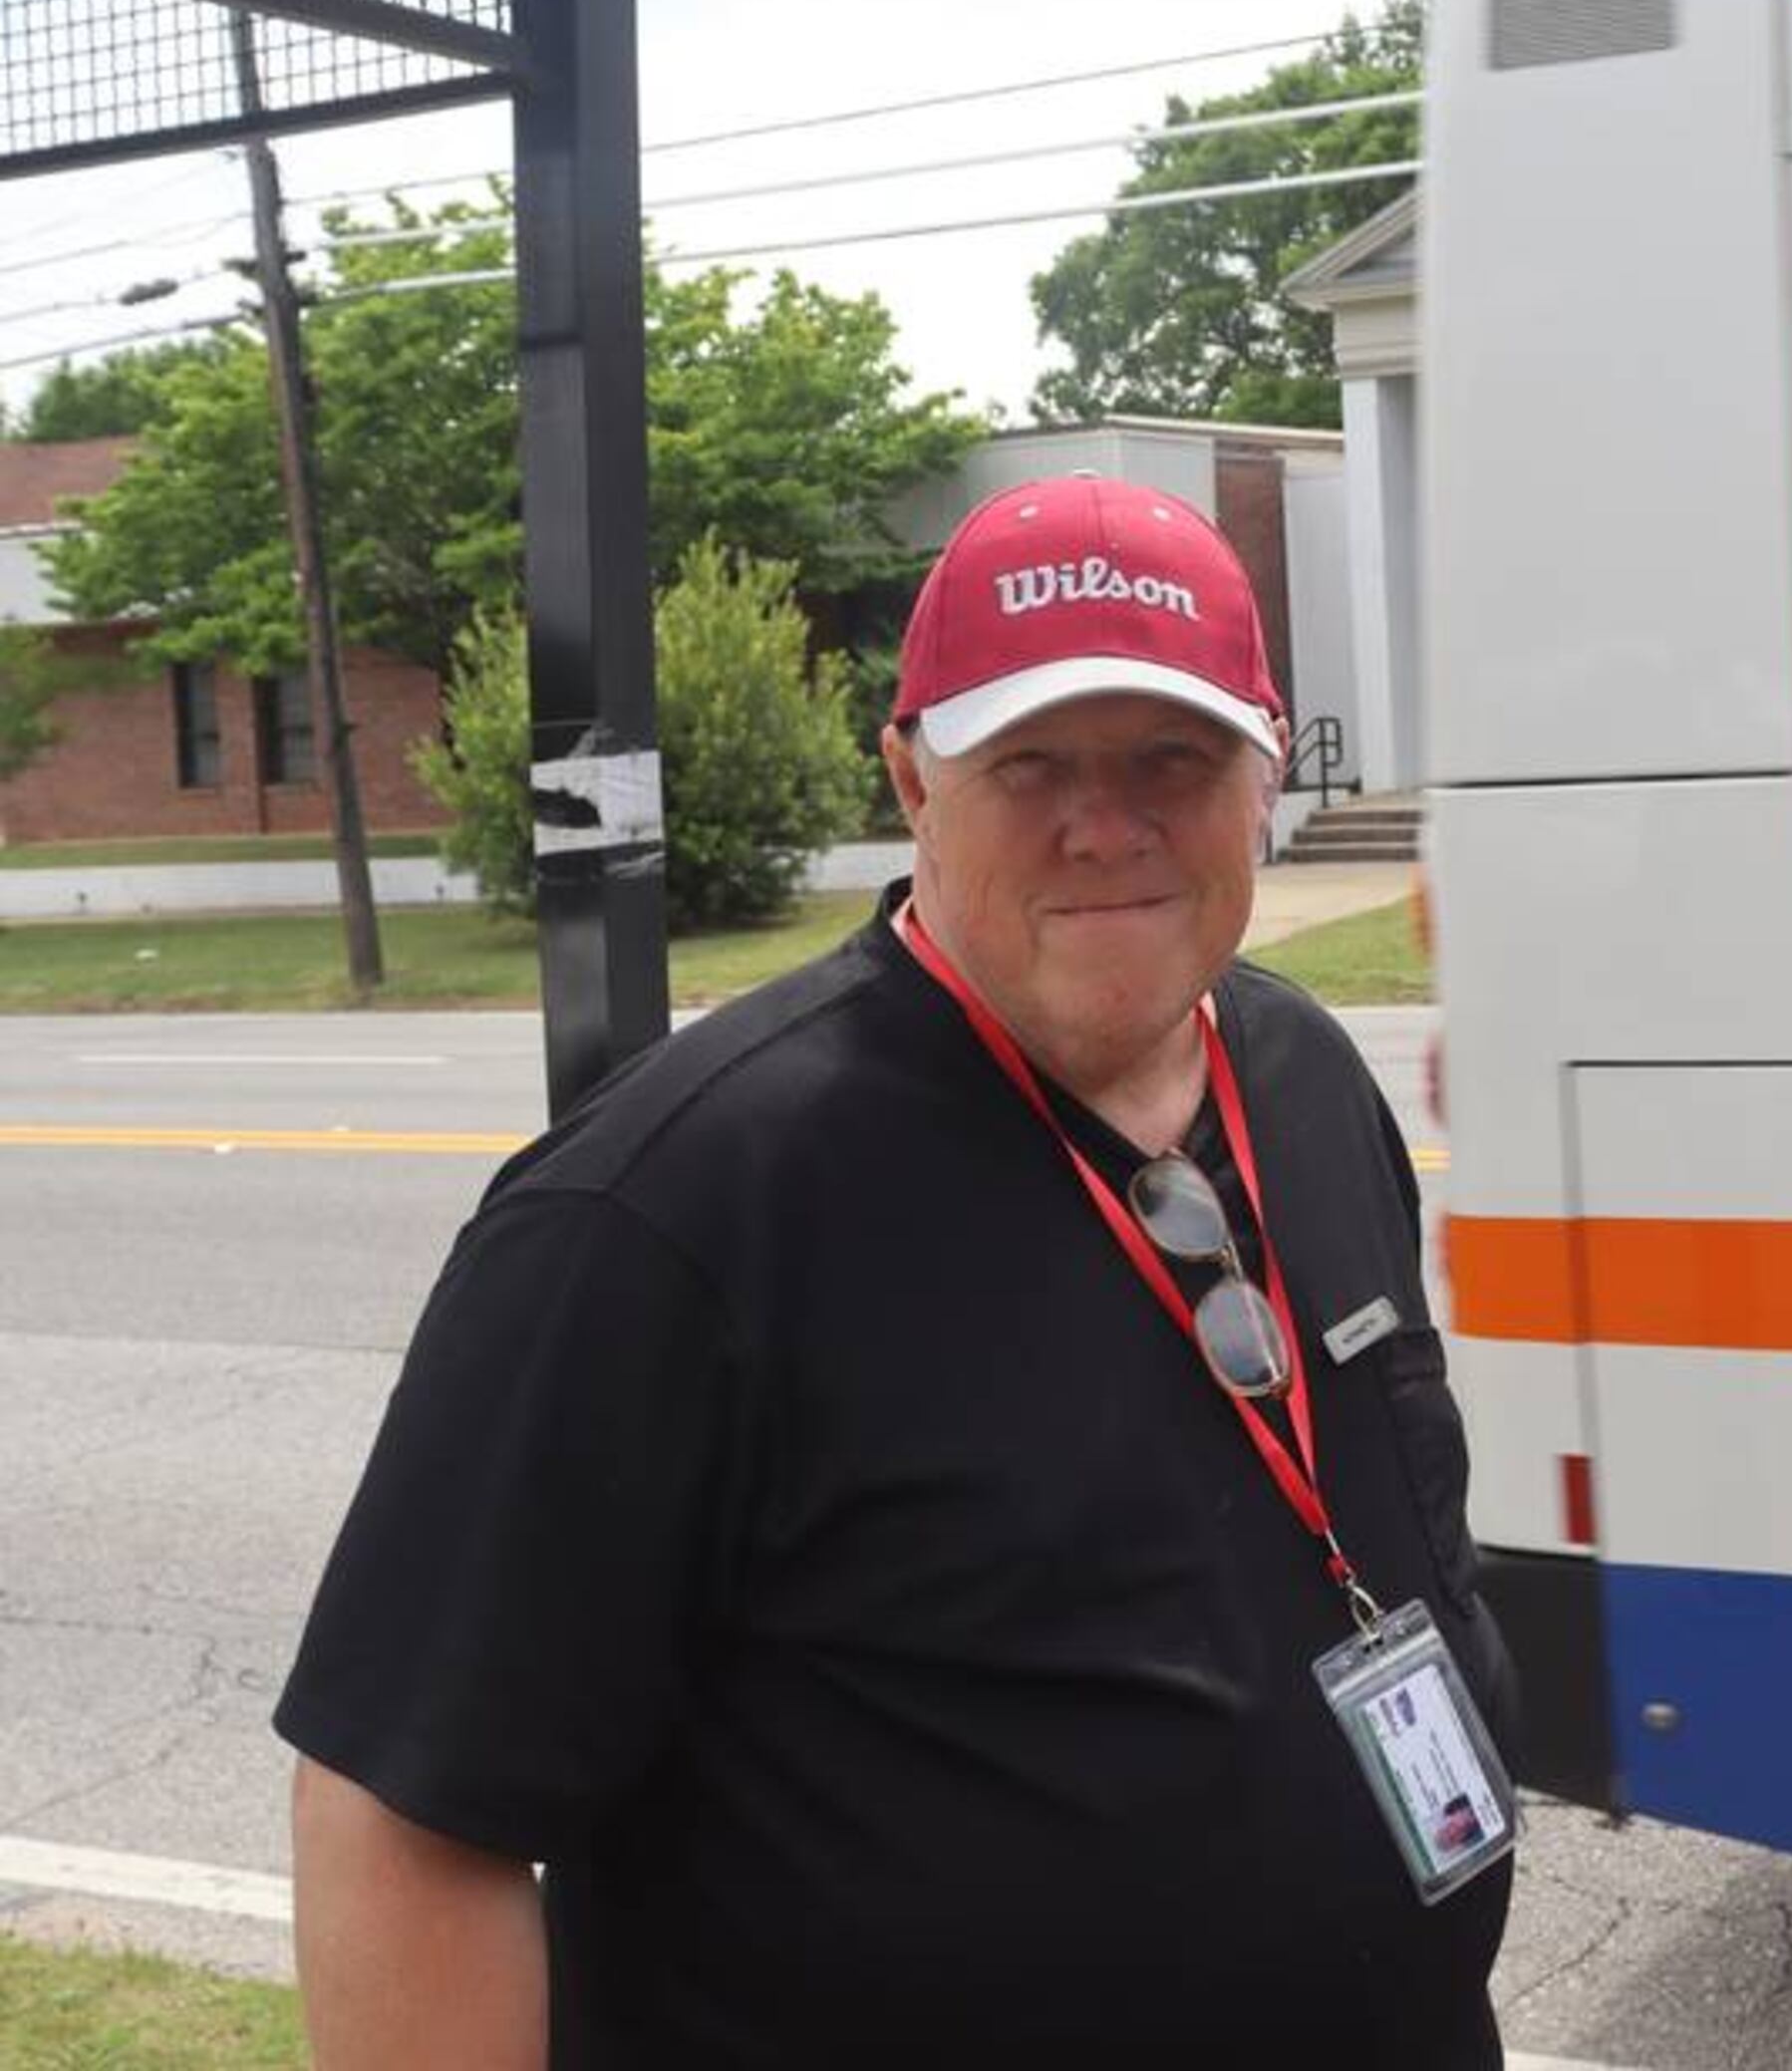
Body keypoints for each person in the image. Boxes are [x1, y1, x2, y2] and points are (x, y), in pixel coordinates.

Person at [275, 474, 1515, 2069]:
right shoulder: (669, 1211)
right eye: (1033, 765)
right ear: (912, 782)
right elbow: (398, 1820)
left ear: (1265, 772)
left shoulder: (1303, 1074)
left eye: (1175, 760)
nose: (1109, 822)